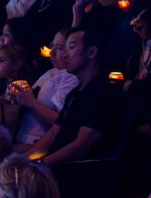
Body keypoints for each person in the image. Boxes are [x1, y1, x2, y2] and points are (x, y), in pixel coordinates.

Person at [26, 26, 127, 164]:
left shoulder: (104, 92)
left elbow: (81, 146)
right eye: (65, 49)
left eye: (71, 47)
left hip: (79, 171)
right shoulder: (75, 93)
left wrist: (40, 164)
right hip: (55, 164)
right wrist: (22, 160)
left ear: (91, 52)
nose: (65, 54)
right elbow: (54, 133)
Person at [9, 29, 79, 146]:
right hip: (20, 138)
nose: (52, 52)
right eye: (52, 46)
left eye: (59, 48)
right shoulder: (51, 72)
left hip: (36, 144)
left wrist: (30, 102)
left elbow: (59, 124)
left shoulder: (71, 78)